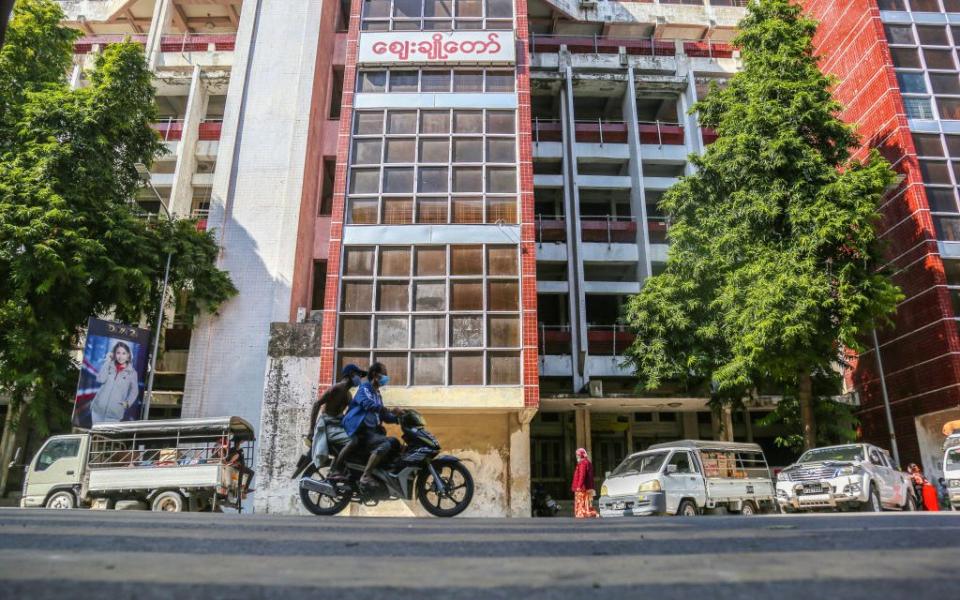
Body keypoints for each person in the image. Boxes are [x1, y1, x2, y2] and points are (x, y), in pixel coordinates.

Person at [341, 362, 402, 488]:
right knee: (385, 444)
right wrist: (389, 410)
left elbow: (384, 417)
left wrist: (399, 418)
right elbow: (368, 404)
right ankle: (366, 476)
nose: (386, 377)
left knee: (395, 443)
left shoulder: (377, 394)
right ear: (375, 375)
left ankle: (383, 474)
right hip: (361, 431)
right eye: (384, 374)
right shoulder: (364, 389)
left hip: (372, 432)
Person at [308, 364, 366, 474]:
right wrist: (311, 429)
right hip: (329, 426)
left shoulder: (348, 394)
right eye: (359, 375)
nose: (360, 379)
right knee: (353, 441)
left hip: (338, 425)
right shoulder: (337, 388)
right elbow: (317, 404)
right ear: (352, 375)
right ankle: (336, 469)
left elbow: (353, 412)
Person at [90, 342, 140, 424]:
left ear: (128, 355)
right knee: (94, 435)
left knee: (106, 436)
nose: (120, 356)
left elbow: (135, 391)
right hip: (97, 410)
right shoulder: (108, 365)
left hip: (114, 414)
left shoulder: (132, 373)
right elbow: (100, 379)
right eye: (118, 353)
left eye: (124, 353)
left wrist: (127, 403)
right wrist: (107, 362)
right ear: (114, 354)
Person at [571, 447, 598, 519]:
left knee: (581, 502)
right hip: (587, 487)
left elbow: (582, 475)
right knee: (586, 503)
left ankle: (583, 514)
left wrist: (579, 486)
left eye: (578, 455)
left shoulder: (583, 463)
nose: (577, 456)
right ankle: (588, 513)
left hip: (582, 488)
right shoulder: (587, 462)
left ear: (581, 455)